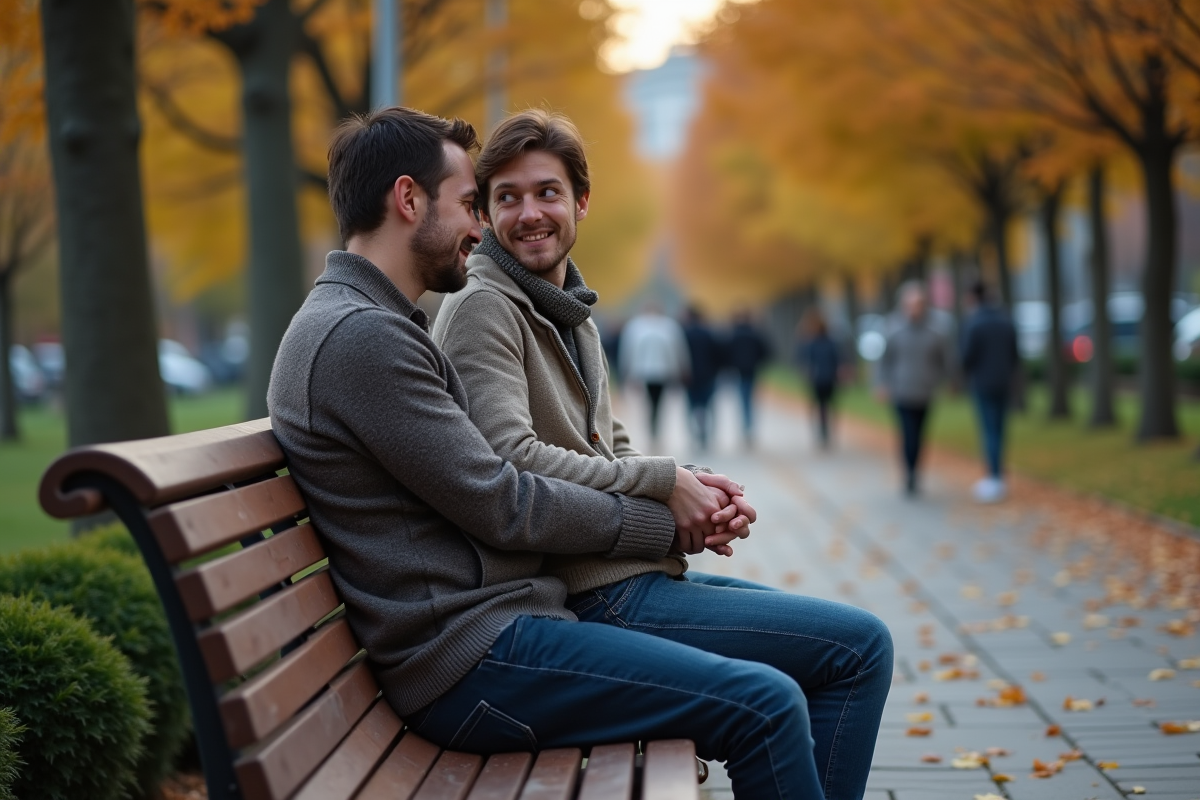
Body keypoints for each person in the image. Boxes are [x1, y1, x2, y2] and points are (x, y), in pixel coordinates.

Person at [433, 108, 893, 799]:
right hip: (593, 596)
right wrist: (665, 483)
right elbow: (512, 461)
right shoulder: (482, 305)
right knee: (852, 654)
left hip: (629, 579)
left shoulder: (568, 309)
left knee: (858, 645)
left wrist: (696, 497)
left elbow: (610, 446)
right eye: (507, 197)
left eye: (547, 192)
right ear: (487, 209)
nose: (529, 213)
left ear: (582, 201)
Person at [879, 281, 947, 496]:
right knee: (907, 434)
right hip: (901, 390)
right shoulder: (893, 327)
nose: (915, 307)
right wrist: (882, 383)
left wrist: (945, 380)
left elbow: (943, 360)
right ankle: (909, 473)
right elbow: (884, 360)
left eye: (918, 303)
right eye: (911, 303)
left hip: (925, 390)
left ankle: (916, 471)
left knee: (920, 435)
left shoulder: (935, 330)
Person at [961, 279, 1019, 503]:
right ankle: (998, 475)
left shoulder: (974, 323)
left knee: (989, 430)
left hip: (983, 383)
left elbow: (966, 356)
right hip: (1004, 382)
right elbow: (1015, 353)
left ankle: (993, 478)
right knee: (1000, 430)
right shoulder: (1006, 320)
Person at [617, 303, 689, 444]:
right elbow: (677, 350)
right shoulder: (667, 326)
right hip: (652, 371)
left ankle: (653, 429)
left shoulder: (637, 327)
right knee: (653, 403)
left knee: (655, 403)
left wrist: (626, 371)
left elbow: (628, 351)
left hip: (654, 371)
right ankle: (653, 429)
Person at [726, 310, 772, 445]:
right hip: (752, 370)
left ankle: (745, 427)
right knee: (749, 400)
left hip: (738, 371)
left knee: (742, 399)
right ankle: (749, 427)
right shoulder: (756, 334)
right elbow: (766, 352)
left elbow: (727, 352)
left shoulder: (734, 335)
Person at [680, 305, 722, 450]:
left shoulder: (684, 333)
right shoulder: (709, 333)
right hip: (708, 375)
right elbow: (718, 353)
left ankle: (694, 433)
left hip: (689, 376)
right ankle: (706, 434)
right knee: (708, 405)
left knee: (691, 406)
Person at [797, 308, 841, 448]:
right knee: (821, 406)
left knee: (825, 406)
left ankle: (825, 431)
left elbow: (837, 358)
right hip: (820, 378)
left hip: (826, 378)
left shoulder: (820, 341)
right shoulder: (813, 341)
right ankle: (822, 432)